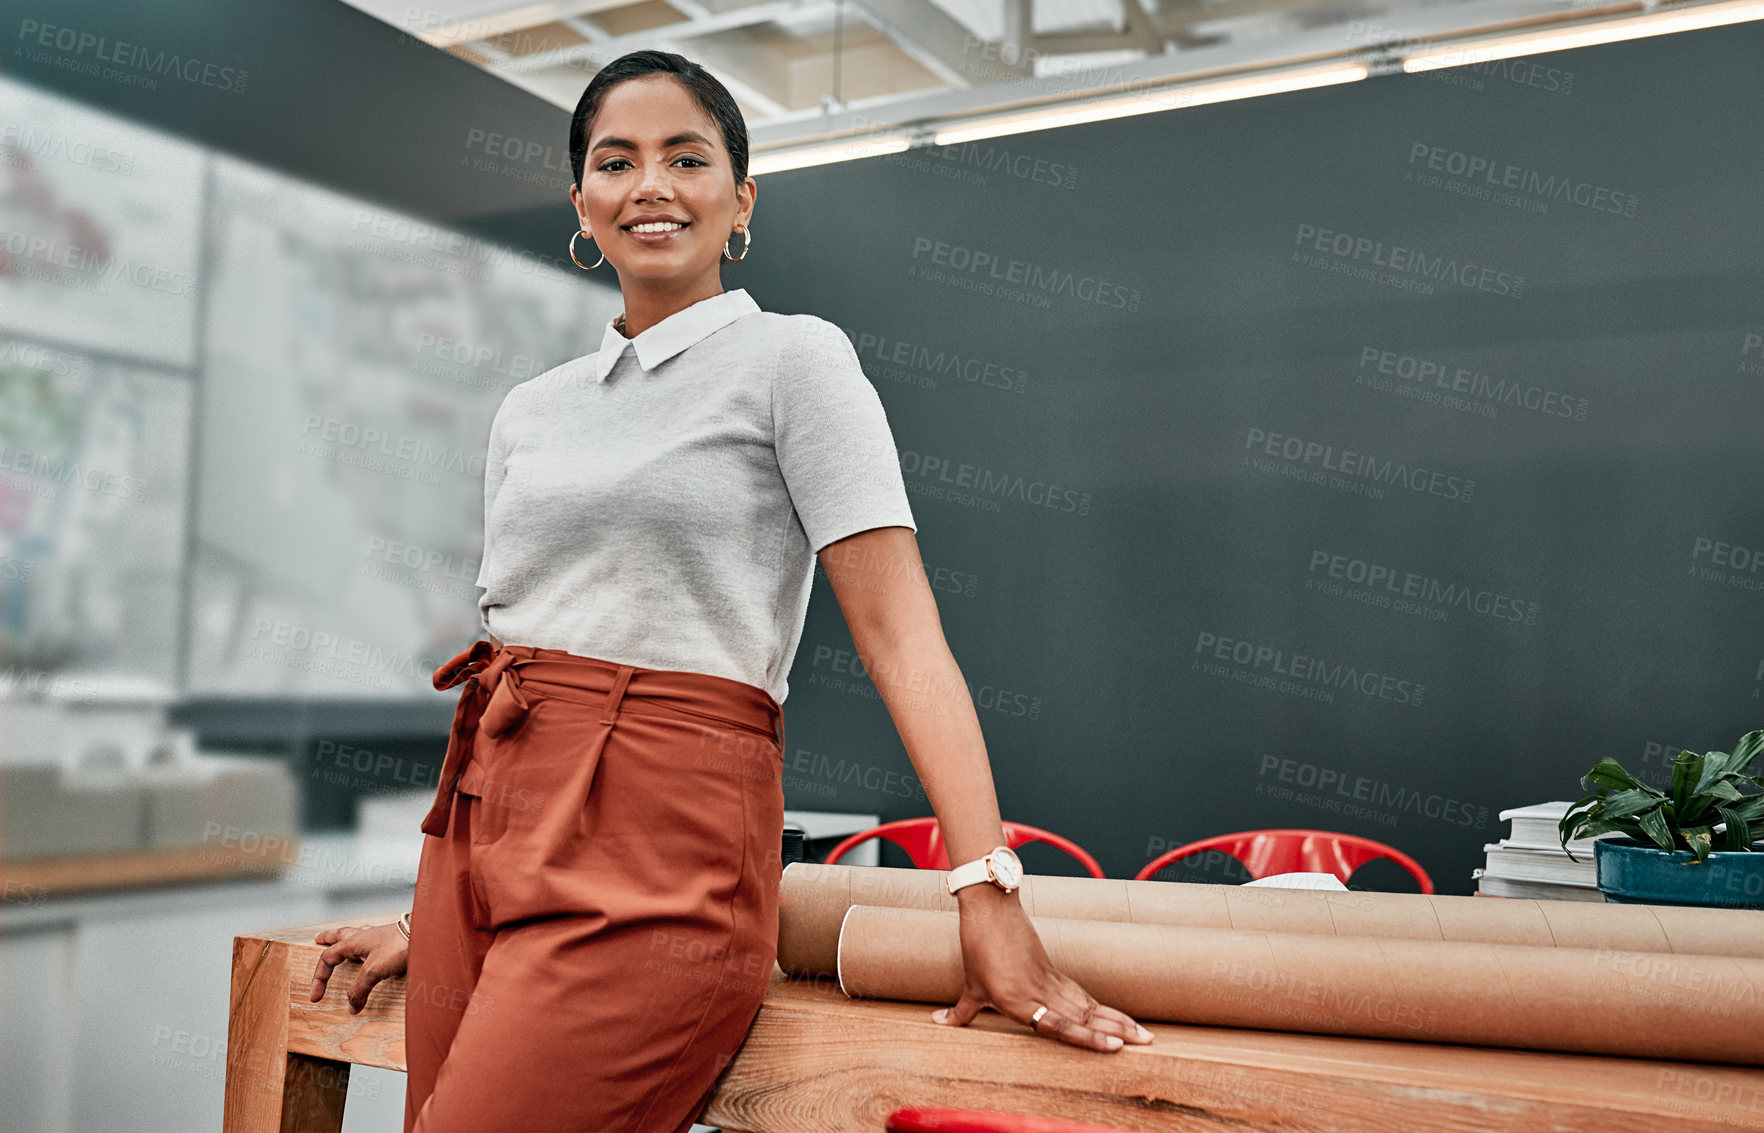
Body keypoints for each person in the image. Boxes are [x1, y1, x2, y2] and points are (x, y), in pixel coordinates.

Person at [306, 47, 1150, 1133]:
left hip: (662, 840)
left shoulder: (796, 362)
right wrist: (442, 917)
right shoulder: (534, 407)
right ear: (581, 202)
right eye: (616, 161)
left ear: (740, 198)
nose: (649, 185)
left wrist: (986, 891)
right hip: (481, 824)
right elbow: (538, 622)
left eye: (686, 157)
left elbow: (901, 635)